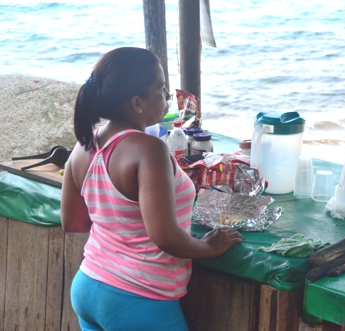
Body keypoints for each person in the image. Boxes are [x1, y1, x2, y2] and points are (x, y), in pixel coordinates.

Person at [61, 47, 243, 331]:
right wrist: (209, 246)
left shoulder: (86, 143)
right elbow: (165, 237)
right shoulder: (149, 149)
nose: (167, 98)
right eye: (160, 90)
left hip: (88, 284)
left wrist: (119, 222)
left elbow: (73, 222)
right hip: (138, 301)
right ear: (137, 103)